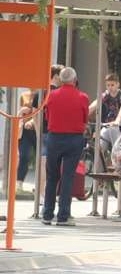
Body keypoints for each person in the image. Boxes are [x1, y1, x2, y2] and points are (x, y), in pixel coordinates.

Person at [41, 67, 89, 226]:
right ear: (75, 80)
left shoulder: (52, 96)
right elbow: (84, 118)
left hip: (54, 137)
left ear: (61, 80)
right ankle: (63, 216)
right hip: (74, 139)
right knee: (68, 176)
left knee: (52, 176)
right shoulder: (83, 97)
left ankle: (47, 214)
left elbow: (47, 117)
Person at [29, 64, 63, 202]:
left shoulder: (39, 93)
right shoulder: (58, 93)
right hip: (54, 132)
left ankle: (40, 191)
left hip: (42, 131)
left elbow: (34, 114)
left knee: (43, 162)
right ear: (55, 76)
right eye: (61, 75)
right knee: (51, 165)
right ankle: (44, 193)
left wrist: (38, 131)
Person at [16, 91, 36, 193]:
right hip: (25, 130)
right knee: (24, 156)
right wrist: (22, 111)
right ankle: (19, 182)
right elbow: (21, 111)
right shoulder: (24, 95)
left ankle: (40, 184)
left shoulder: (44, 93)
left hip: (37, 129)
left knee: (42, 157)